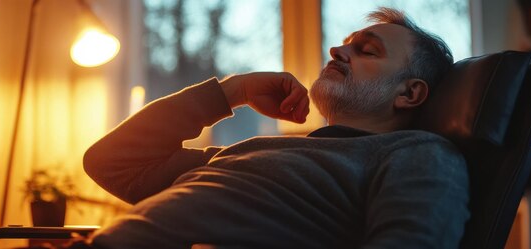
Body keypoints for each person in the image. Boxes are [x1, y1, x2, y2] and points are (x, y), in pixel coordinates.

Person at [83, 7, 469, 249]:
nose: (336, 51)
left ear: (410, 93)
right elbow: (111, 161)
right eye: (343, 44)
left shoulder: (417, 153)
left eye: (367, 50)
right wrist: (236, 90)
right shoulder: (249, 152)